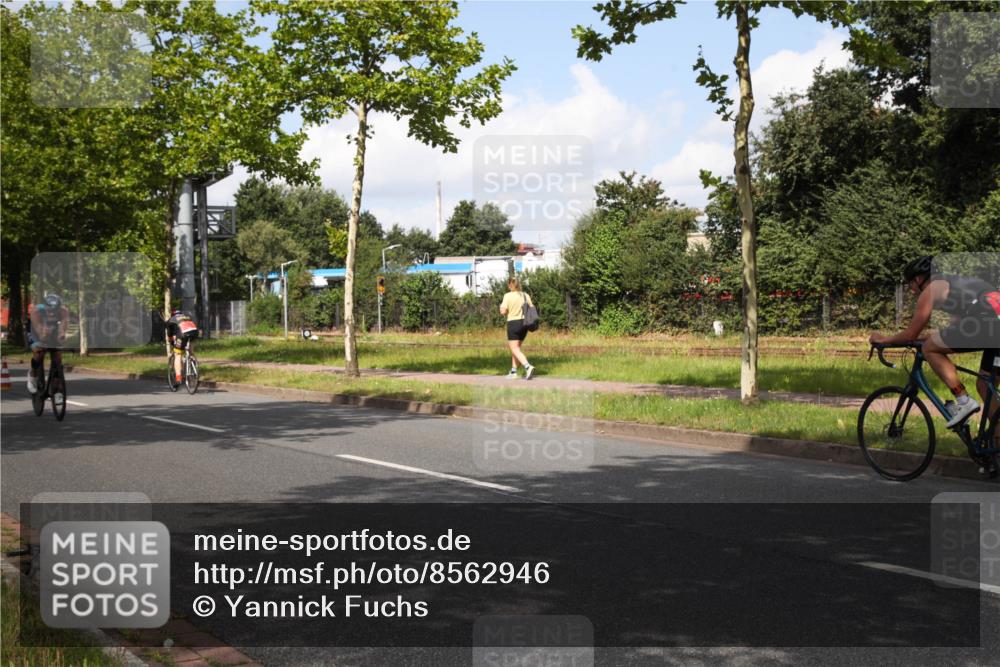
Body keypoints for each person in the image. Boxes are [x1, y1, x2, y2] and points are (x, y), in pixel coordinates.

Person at [869, 256, 1000, 431]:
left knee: (929, 348)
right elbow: (953, 332)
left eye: (910, 286)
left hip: (987, 322)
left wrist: (883, 340)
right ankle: (996, 449)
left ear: (918, 279)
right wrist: (921, 338)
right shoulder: (959, 287)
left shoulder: (931, 290)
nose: (912, 291)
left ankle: (963, 400)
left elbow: (910, 334)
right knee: (985, 386)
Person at [27, 293, 69, 394]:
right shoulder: (36, 311)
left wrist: (61, 335)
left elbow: (63, 327)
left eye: (54, 311)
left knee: (57, 355)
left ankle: (57, 385)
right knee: (39, 352)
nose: (51, 313)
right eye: (49, 310)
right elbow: (40, 333)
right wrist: (43, 334)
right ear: (44, 306)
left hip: (52, 328)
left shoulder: (63, 311)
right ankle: (32, 375)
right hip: (35, 329)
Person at [499, 277, 536, 380]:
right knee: (516, 349)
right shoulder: (525, 295)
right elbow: (531, 307)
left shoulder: (507, 296)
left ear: (509, 285)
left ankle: (528, 367)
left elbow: (503, 311)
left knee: (514, 348)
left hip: (513, 323)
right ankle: (513, 371)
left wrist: (503, 309)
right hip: (525, 323)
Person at [166, 308, 200, 384]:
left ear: (172, 315)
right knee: (190, 351)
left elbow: (170, 335)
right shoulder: (187, 317)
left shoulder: (171, 320)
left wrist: (171, 342)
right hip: (194, 333)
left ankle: (178, 378)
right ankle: (193, 365)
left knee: (178, 354)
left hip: (183, 335)